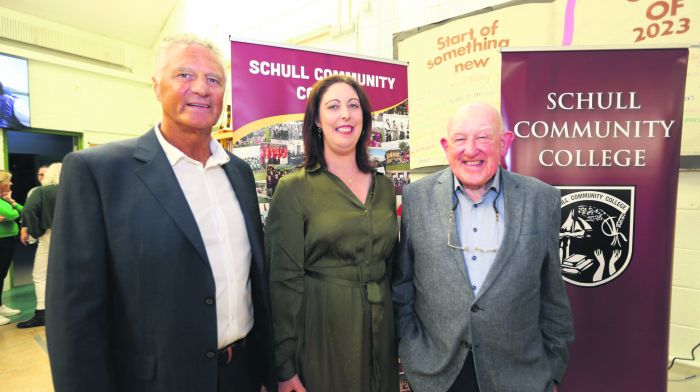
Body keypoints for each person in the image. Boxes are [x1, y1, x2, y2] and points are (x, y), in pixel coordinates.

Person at [46, 34, 276, 392]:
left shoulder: (239, 173)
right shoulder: (99, 173)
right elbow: (74, 318)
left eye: (214, 79)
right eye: (184, 75)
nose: (201, 88)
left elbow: (253, 285)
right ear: (156, 86)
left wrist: (265, 371)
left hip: (241, 375)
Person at [392, 103, 574, 392]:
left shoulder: (542, 200)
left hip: (520, 377)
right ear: (446, 145)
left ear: (505, 143)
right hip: (437, 375)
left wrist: (551, 373)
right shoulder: (416, 197)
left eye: (484, 138)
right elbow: (402, 288)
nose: (471, 150)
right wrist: (413, 355)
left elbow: (553, 296)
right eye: (460, 139)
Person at [266, 75, 399, 392]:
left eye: (353, 106)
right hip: (322, 334)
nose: (345, 115)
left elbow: (392, 266)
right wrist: (284, 367)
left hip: (381, 333)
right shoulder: (295, 188)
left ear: (364, 119)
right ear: (317, 121)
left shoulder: (383, 186)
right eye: (334, 106)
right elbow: (282, 282)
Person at [17, 162, 61, 328]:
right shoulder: (73, 191)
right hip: (72, 236)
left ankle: (42, 312)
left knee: (40, 274)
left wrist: (36, 232)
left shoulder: (41, 191)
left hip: (49, 235)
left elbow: (28, 211)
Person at [0, 170, 23, 325]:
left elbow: (23, 211)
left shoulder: (4, 199)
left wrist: (11, 201)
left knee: (1, 275)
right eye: (9, 181)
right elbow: (13, 215)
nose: (11, 184)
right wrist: (12, 209)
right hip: (1, 241)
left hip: (7, 240)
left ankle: (0, 306)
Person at [20, 164, 49, 246]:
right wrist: (24, 229)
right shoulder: (34, 191)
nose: (43, 177)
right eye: (40, 174)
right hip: (37, 230)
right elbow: (27, 211)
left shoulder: (59, 189)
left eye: (46, 174)